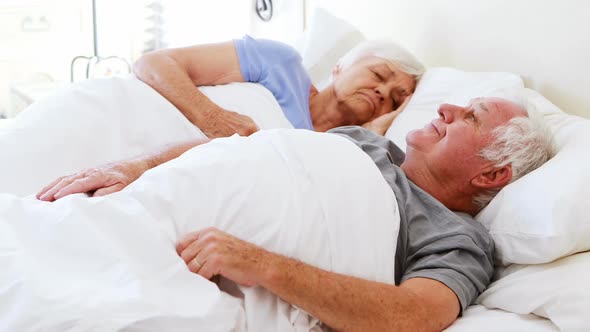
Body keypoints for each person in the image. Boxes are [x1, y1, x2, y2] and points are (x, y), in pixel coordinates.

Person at [36, 96, 554, 331]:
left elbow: (414, 317)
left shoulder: (459, 238)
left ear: (491, 176)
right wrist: (136, 166)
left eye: (470, 117)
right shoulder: (361, 143)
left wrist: (263, 264)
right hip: (150, 209)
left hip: (210, 267)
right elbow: (252, 149)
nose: (444, 109)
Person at [133, 36, 425, 138]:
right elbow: (155, 63)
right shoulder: (282, 63)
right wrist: (212, 118)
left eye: (396, 101)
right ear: (341, 66)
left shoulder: (341, 151)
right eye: (378, 74)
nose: (383, 93)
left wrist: (373, 134)